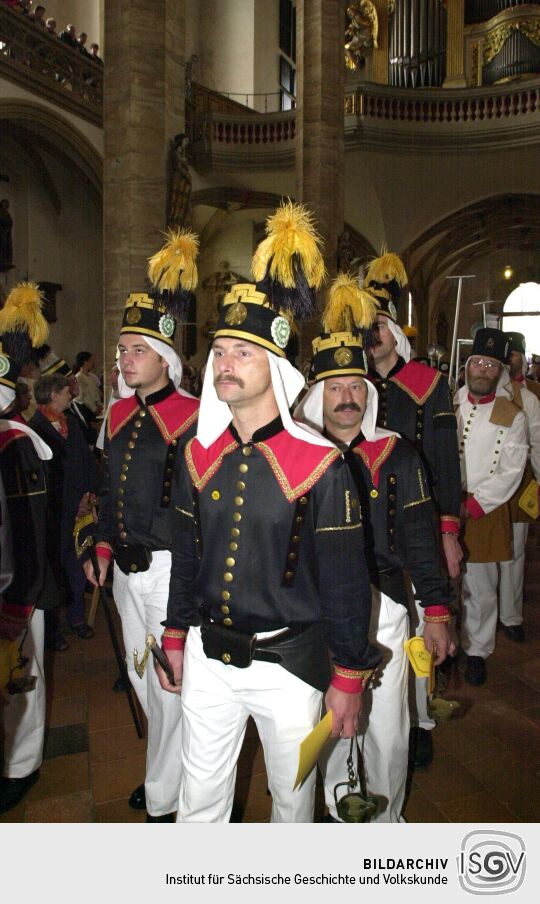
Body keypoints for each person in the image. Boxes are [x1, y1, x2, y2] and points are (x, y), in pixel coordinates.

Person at [157, 201, 381, 823]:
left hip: (289, 666)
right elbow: (186, 558)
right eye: (219, 352)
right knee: (198, 799)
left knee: (291, 803)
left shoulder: (323, 465)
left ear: (276, 368)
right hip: (208, 657)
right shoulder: (196, 454)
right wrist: (175, 635)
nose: (224, 363)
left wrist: (348, 677)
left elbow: (345, 582)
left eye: (241, 353)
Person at [295, 278, 454, 822]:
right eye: (335, 387)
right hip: (313, 612)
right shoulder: (297, 460)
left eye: (357, 387)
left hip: (385, 608)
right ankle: (341, 816)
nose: (348, 398)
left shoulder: (399, 455)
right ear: (317, 395)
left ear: (370, 394)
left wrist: (436, 610)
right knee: (330, 722)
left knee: (386, 727)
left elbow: (421, 541)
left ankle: (385, 826)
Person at [83, 230, 200, 822]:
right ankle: (178, 768)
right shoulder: (120, 412)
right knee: (140, 676)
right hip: (125, 571)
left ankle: (164, 798)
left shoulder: (194, 416)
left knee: (166, 682)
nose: (124, 359)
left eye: (136, 350)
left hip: (168, 570)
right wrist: (102, 542)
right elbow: (109, 489)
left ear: (164, 359)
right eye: (122, 350)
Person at [364, 253, 461, 768]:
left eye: (378, 324)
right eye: (365, 326)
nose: (371, 334)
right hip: (371, 529)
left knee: (425, 626)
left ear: (395, 332)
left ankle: (421, 719)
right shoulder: (351, 385)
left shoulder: (428, 383)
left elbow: (444, 460)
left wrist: (448, 530)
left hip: (418, 524)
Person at [0, 282, 53, 814]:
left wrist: (18, 604)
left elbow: (29, 532)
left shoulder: (16, 445)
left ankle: (22, 765)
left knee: (21, 684)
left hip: (17, 591)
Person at [455, 328, 528, 686]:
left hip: (484, 508)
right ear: (468, 366)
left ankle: (477, 650)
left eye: (490, 365)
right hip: (447, 504)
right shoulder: (450, 404)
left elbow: (511, 471)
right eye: (478, 363)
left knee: (480, 585)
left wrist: (475, 504)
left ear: (500, 372)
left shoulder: (512, 415)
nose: (483, 370)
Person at [29, 373, 98, 645]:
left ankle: (76, 617)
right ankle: (52, 630)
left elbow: (87, 460)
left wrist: (89, 494)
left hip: (80, 509)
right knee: (55, 570)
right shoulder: (34, 429)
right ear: (52, 395)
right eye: (64, 390)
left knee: (78, 565)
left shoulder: (71, 423)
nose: (70, 393)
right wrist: (73, 502)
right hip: (55, 514)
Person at [497, 332, 540, 643]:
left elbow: (537, 444)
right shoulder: (482, 391)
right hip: (486, 484)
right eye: (506, 353)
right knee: (482, 559)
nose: (509, 359)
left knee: (514, 552)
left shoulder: (531, 397)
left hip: (520, 484)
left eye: (514, 354)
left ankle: (510, 615)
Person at [74, 351, 102, 416]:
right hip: (87, 411)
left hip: (95, 410)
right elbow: (84, 397)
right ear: (85, 362)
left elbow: (95, 393)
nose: (93, 363)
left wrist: (99, 405)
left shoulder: (90, 376)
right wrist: (95, 409)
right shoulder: (79, 377)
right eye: (91, 360)